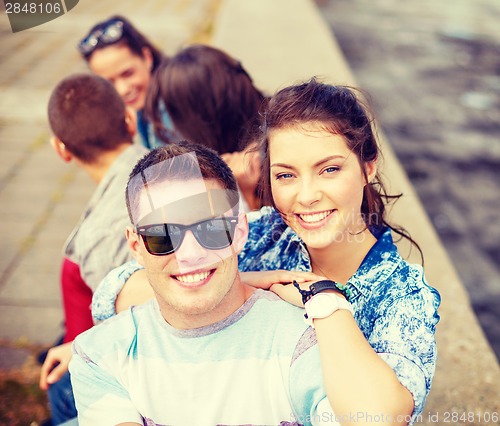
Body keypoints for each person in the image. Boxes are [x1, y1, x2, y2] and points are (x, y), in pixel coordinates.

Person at [93, 79, 441, 424]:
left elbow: (381, 419)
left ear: (368, 166)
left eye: (329, 170)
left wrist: (323, 301)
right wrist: (246, 283)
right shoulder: (263, 232)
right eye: (286, 176)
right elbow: (114, 292)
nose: (306, 196)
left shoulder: (401, 294)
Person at [39, 73, 149, 425]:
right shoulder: (160, 164)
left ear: (61, 149)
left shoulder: (102, 235)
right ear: (129, 121)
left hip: (112, 367)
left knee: (61, 390)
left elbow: (135, 326)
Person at [146, 44, 266, 210]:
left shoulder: (266, 161)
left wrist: (245, 197)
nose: (168, 128)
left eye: (173, 112)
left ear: (202, 115)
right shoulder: (266, 126)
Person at [77, 15, 175, 149]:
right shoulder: (144, 104)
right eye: (109, 83)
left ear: (147, 57)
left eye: (128, 73)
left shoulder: (173, 106)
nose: (122, 90)